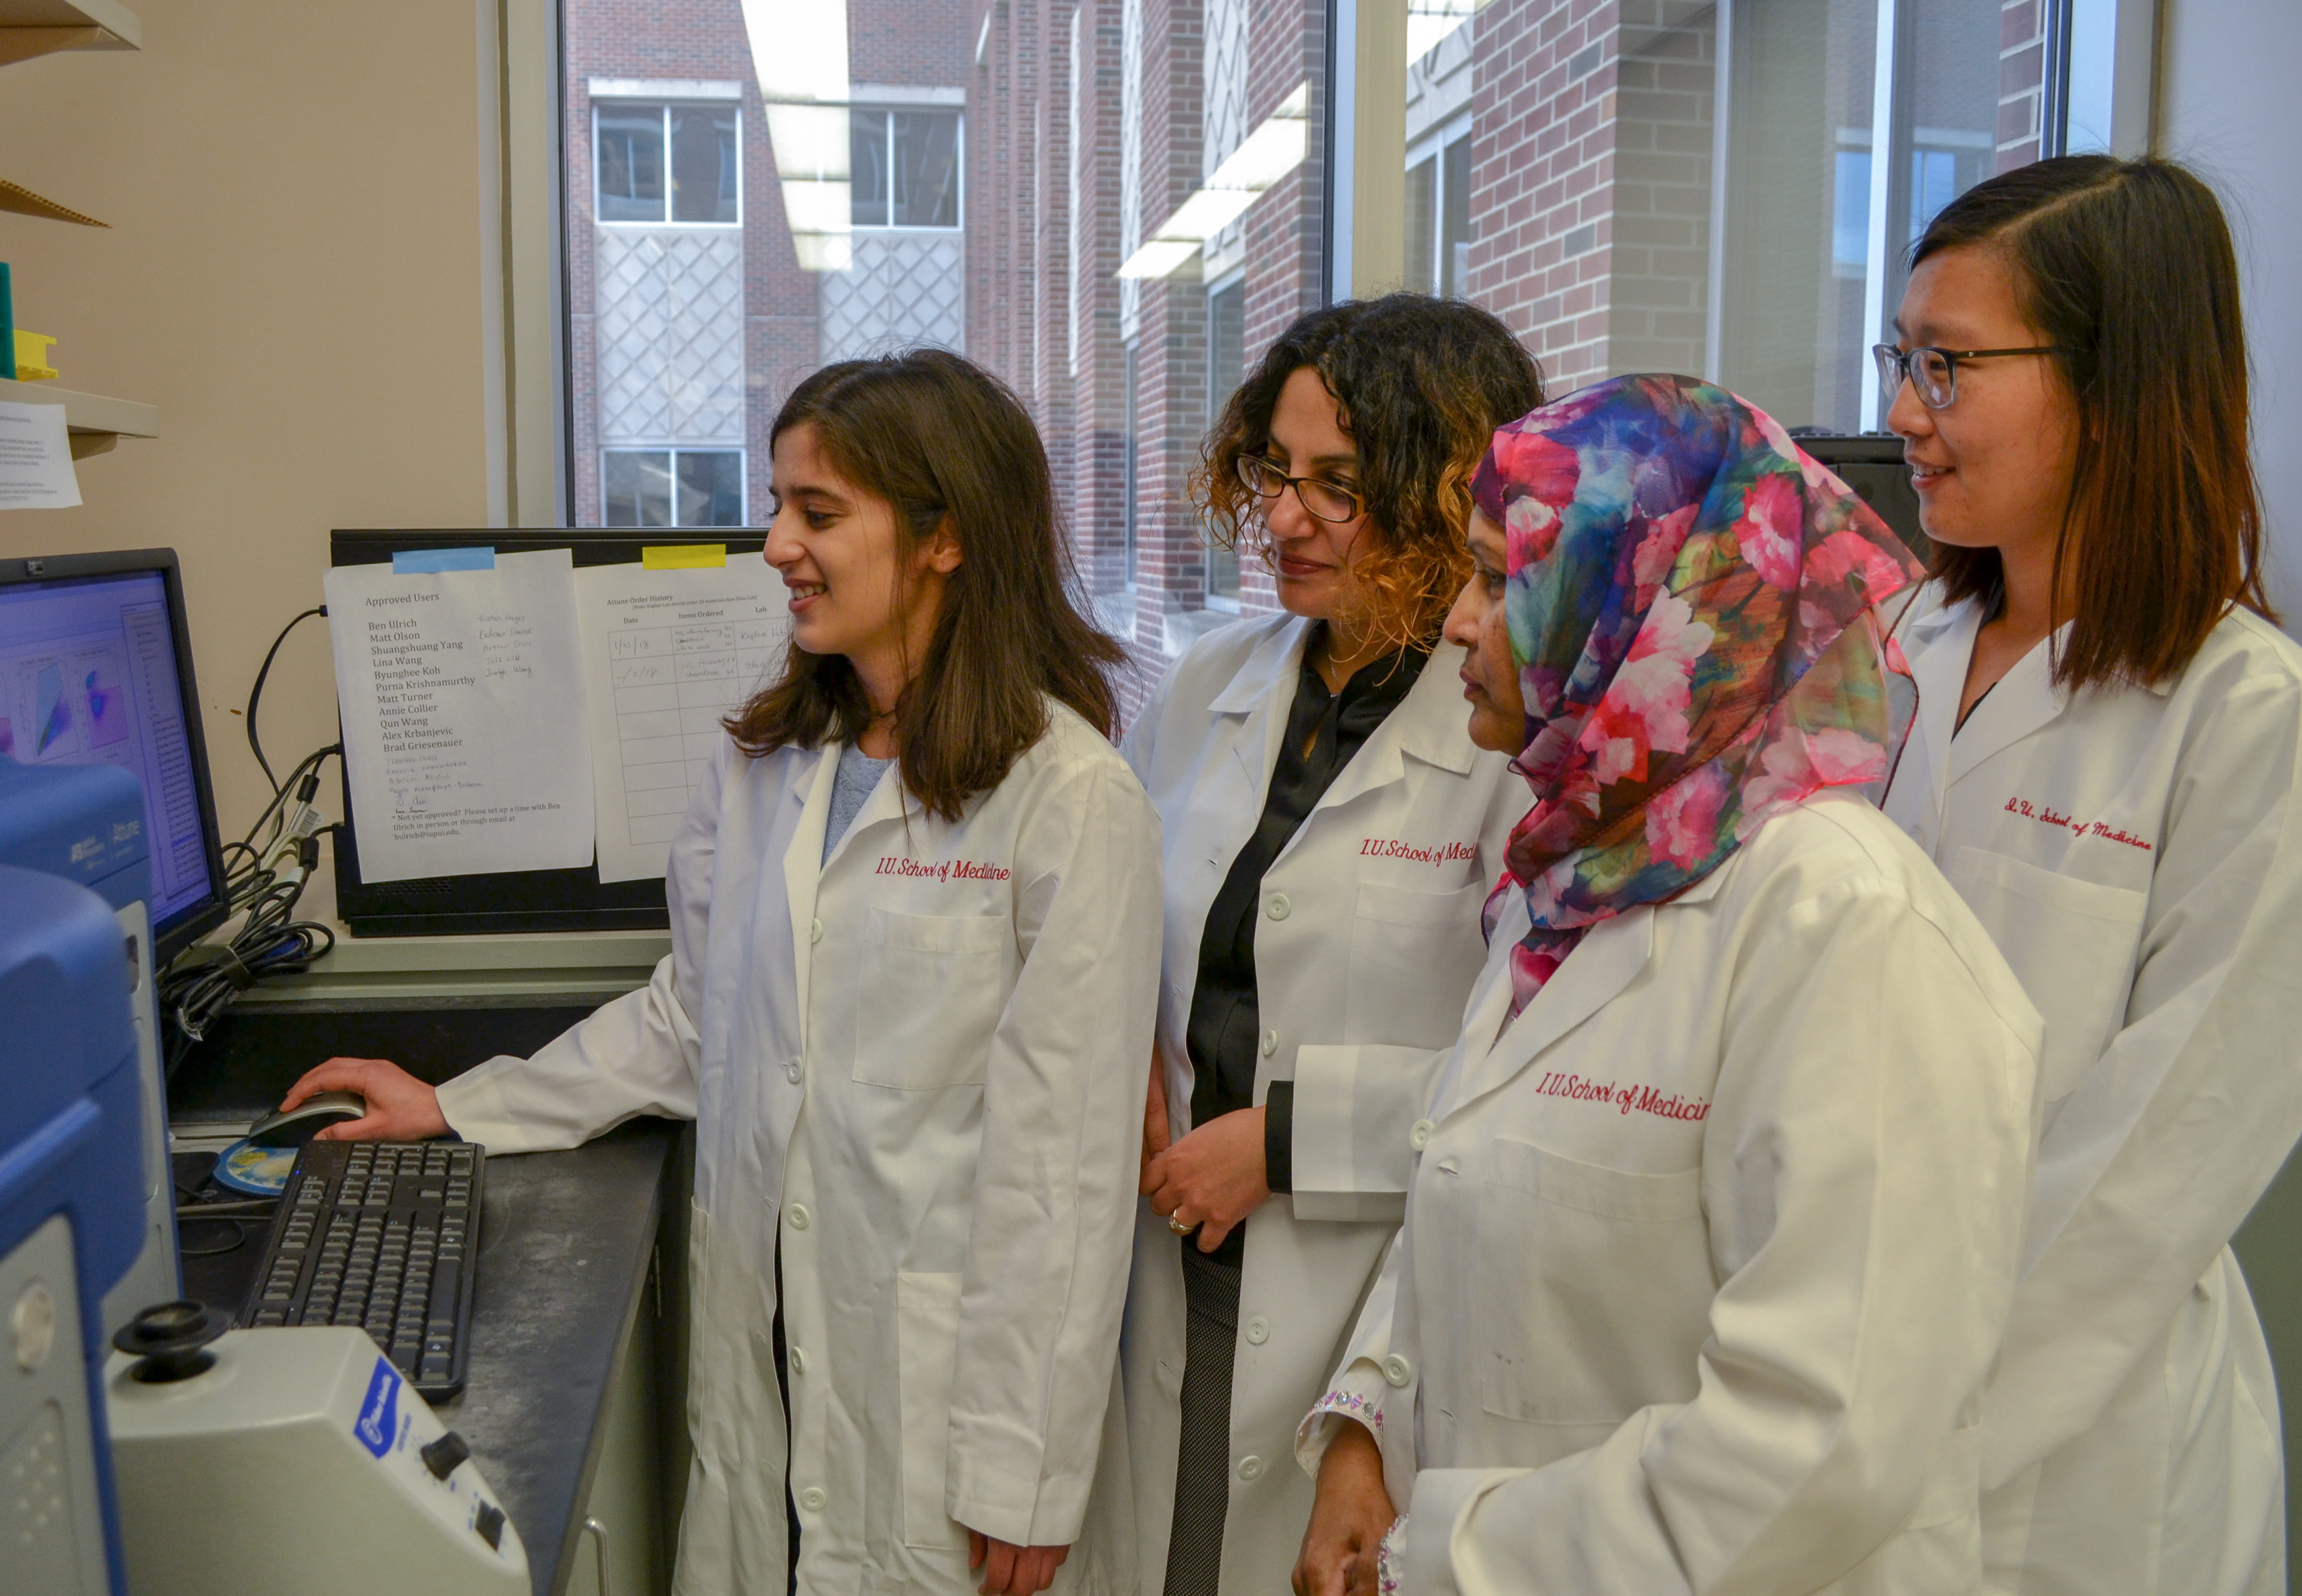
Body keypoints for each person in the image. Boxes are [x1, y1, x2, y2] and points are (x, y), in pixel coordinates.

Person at [278, 350, 1163, 1596]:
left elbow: (1066, 1172)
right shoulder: (765, 767)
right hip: (773, 1361)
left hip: (950, 1399)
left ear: (944, 538)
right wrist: (459, 1106)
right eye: (775, 505)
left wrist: (1027, 1468)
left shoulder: (1069, 798)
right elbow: (694, 1019)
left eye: (816, 512)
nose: (773, 546)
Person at [1290, 375, 2045, 1596]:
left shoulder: (1840, 927)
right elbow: (1469, 1182)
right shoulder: (1579, 879)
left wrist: (1450, 1554)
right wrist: (1369, 1423)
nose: (1457, 624)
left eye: (1501, 580)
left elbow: (1819, 1441)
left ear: (1637, 606)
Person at [1875, 154, 2302, 1596]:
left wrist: (1896, 1410)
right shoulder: (1899, 661)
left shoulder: (2244, 712)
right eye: (1899, 357)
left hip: (2078, 1450)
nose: (1899, 417)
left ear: (2112, 377)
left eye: (1945, 367)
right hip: (1836, 1359)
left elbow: (2161, 1153)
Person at [1109, 296, 1542, 1596]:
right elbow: (1107, 922)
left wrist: (1286, 1139)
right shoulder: (1207, 684)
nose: (1285, 520)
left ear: (1448, 493)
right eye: (1276, 477)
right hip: (1164, 1270)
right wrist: (1124, 1041)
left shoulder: (1513, 742)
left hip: (1369, 1289)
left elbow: (1536, 1070)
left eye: (1340, 488)